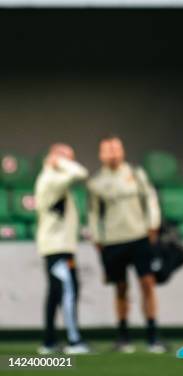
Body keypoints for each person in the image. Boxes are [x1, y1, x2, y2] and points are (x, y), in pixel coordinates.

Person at [87, 135, 165, 353]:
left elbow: (150, 200)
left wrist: (153, 225)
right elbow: (93, 214)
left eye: (116, 148)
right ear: (101, 154)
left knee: (147, 284)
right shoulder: (95, 183)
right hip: (112, 241)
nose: (112, 153)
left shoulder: (136, 174)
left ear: (122, 151)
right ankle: (123, 337)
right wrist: (97, 238)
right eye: (107, 150)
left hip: (139, 237)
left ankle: (153, 337)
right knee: (120, 288)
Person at [35, 143, 90, 354]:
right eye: (67, 158)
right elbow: (81, 173)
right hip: (56, 247)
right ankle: (74, 341)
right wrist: (62, 162)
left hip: (59, 247)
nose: (70, 162)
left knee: (56, 293)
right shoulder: (51, 179)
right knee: (68, 291)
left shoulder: (53, 180)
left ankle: (49, 342)